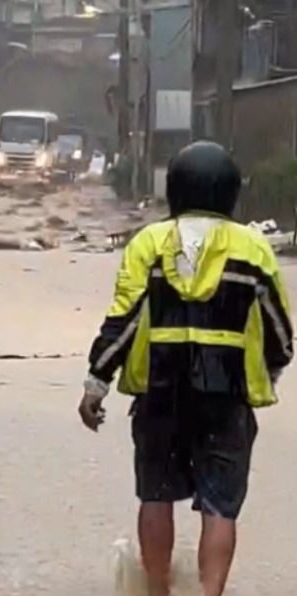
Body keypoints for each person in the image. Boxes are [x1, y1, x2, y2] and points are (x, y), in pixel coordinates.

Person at [78, 141, 294, 596]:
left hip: (159, 394)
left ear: (174, 189)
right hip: (227, 397)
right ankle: (210, 592)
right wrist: (267, 374)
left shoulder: (148, 244)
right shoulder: (254, 248)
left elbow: (123, 318)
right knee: (220, 508)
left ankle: (157, 590)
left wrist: (96, 383)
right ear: (231, 193)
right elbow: (280, 332)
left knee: (155, 496)